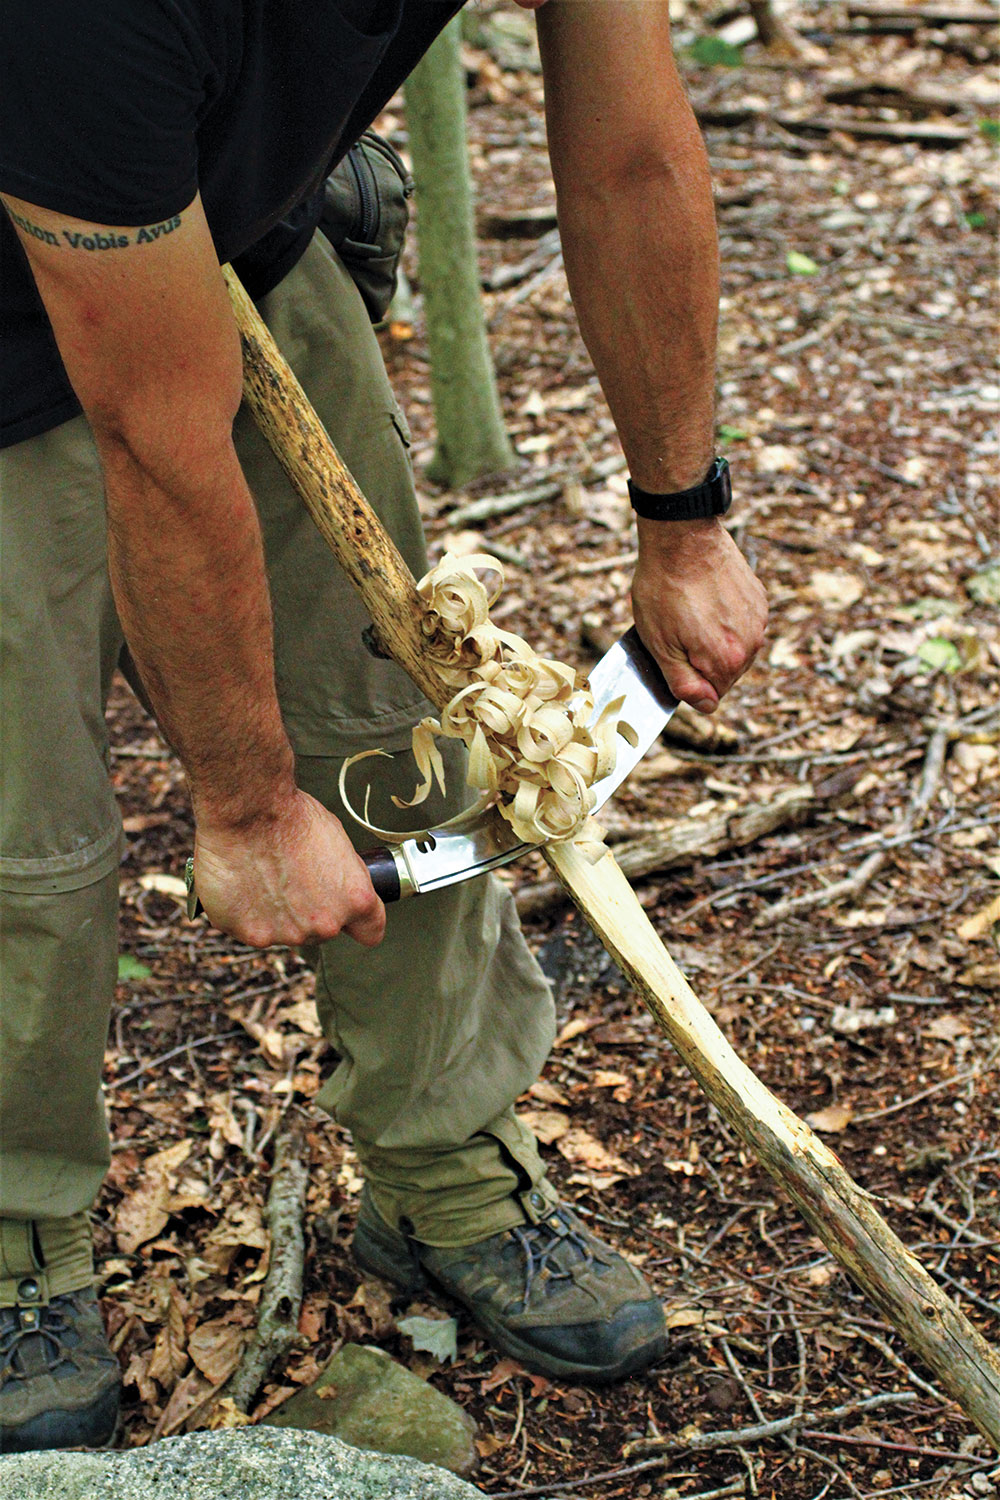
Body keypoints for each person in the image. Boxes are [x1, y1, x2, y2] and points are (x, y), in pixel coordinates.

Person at [0, 0, 767, 1452]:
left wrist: (683, 519)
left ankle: (446, 1161)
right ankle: (10, 1234)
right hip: (44, 271)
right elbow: (157, 446)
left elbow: (631, 161)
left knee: (394, 733)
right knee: (18, 834)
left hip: (215, 237)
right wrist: (239, 808)